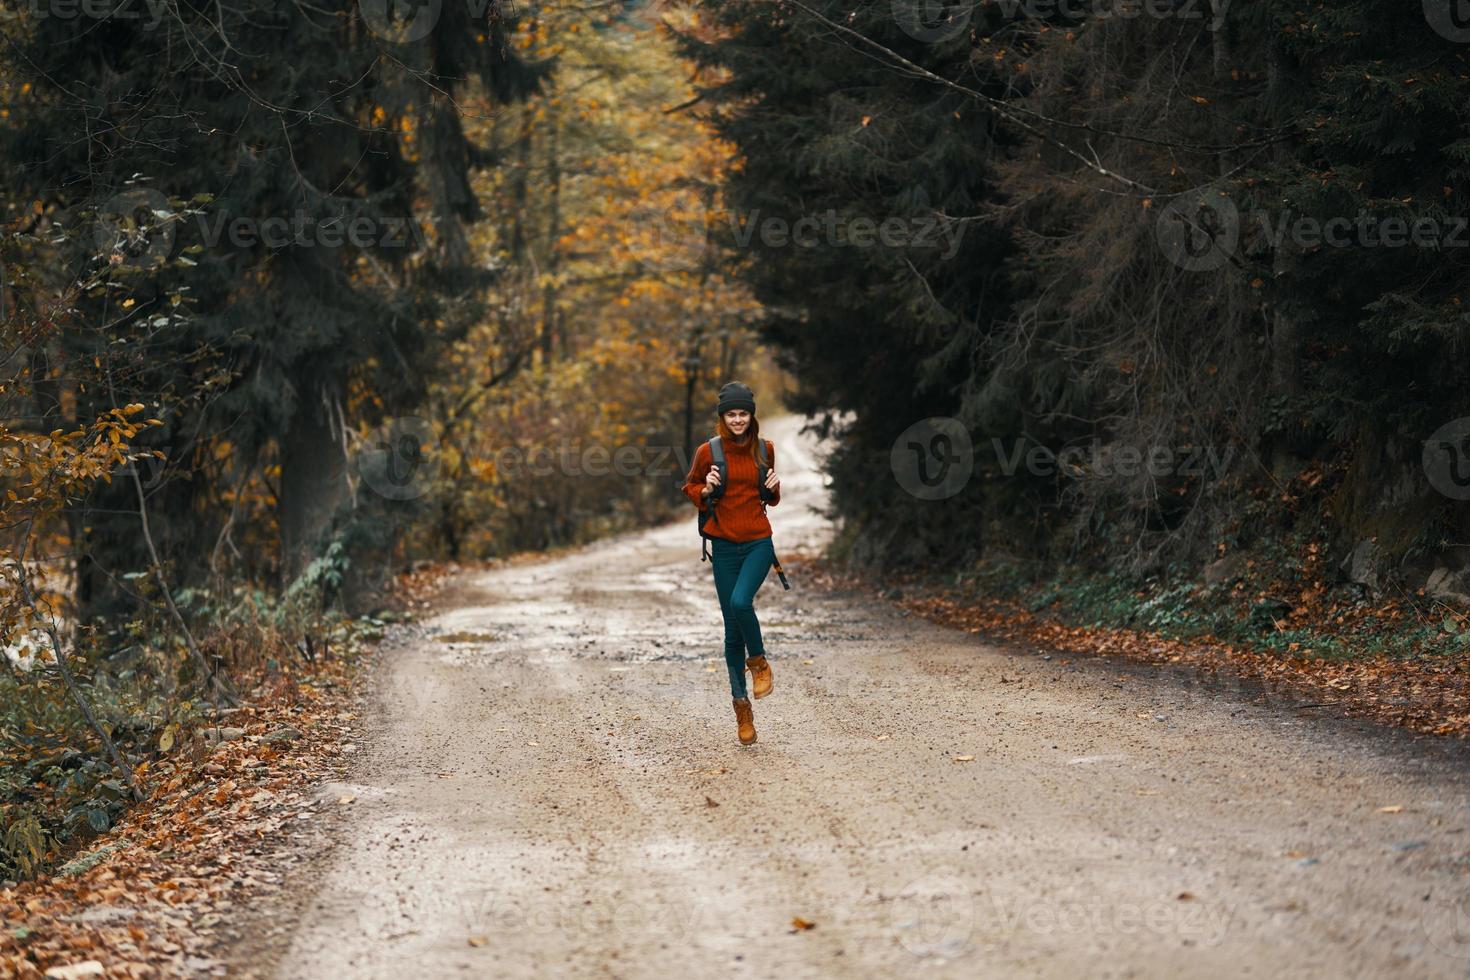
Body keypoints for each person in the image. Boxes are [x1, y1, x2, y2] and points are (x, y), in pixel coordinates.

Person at [682, 381, 781, 745]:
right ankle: (742, 708)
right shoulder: (708, 451)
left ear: (751, 415)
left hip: (757, 541)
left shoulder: (765, 449)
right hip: (723, 545)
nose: (738, 420)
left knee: (742, 603)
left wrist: (773, 486)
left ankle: (759, 662)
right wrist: (704, 488)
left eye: (743, 413)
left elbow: (770, 497)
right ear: (723, 417)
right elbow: (690, 487)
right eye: (731, 414)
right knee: (730, 631)